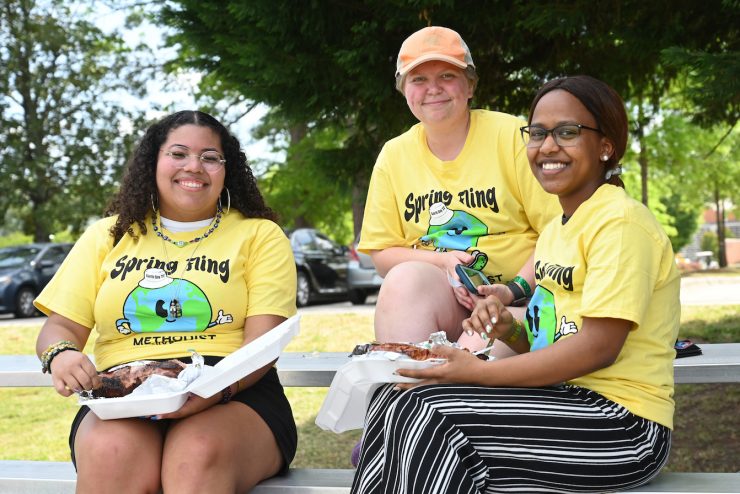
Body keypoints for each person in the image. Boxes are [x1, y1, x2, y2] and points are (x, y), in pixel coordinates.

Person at [350, 75, 680, 493]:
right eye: (538, 133)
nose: (548, 146)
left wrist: (478, 374)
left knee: (431, 416)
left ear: (605, 146)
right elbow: (553, 340)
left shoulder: (620, 223)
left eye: (567, 132)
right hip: (562, 400)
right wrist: (508, 328)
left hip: (622, 426)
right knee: (396, 400)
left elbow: (598, 347)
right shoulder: (561, 229)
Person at [34, 110, 298, 493]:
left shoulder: (259, 235)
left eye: (210, 157)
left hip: (233, 388)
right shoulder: (107, 235)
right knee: (111, 452)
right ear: (153, 162)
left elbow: (262, 345)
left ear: (228, 169)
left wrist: (213, 391)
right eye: (178, 154)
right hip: (125, 393)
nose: (194, 166)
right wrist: (60, 354)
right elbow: (60, 327)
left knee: (195, 453)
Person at [358, 26, 560, 353]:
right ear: (404, 90)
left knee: (472, 354)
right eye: (418, 79)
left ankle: (444, 385)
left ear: (470, 85)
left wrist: (512, 289)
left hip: (520, 303)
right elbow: (382, 254)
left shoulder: (512, 136)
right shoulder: (394, 155)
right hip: (444, 301)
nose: (433, 89)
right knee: (402, 281)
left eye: (447, 76)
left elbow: (561, 230)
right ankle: (409, 389)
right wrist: (445, 263)